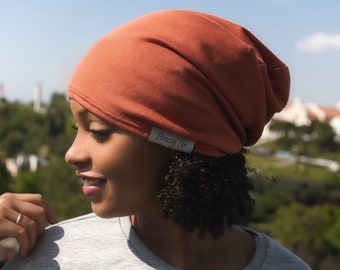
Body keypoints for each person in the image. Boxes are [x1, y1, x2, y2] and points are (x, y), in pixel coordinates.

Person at [1, 9, 311, 269]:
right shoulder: (50, 259)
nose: (72, 154)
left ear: (181, 139)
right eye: (77, 131)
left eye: (98, 132)